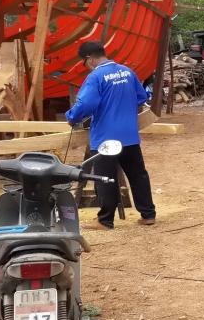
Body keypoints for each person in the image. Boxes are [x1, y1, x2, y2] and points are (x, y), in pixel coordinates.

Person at [66, 41, 157, 230]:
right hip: (130, 135)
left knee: (105, 178)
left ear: (89, 60)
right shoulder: (127, 72)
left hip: (106, 138)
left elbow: (85, 104)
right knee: (138, 174)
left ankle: (105, 220)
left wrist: (72, 117)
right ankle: (148, 214)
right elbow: (141, 97)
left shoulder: (96, 77)